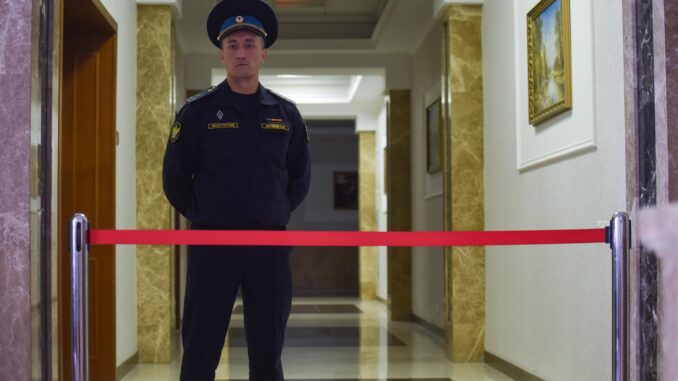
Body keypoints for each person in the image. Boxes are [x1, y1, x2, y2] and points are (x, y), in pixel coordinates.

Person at [162, 0, 311, 379]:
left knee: (268, 352)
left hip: (270, 247)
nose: (241, 53)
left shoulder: (285, 113)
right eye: (233, 46)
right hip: (213, 245)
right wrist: (209, 214)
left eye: (249, 44)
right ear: (221, 54)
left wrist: (272, 210)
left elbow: (299, 177)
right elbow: (175, 179)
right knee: (201, 348)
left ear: (263, 53)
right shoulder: (197, 112)